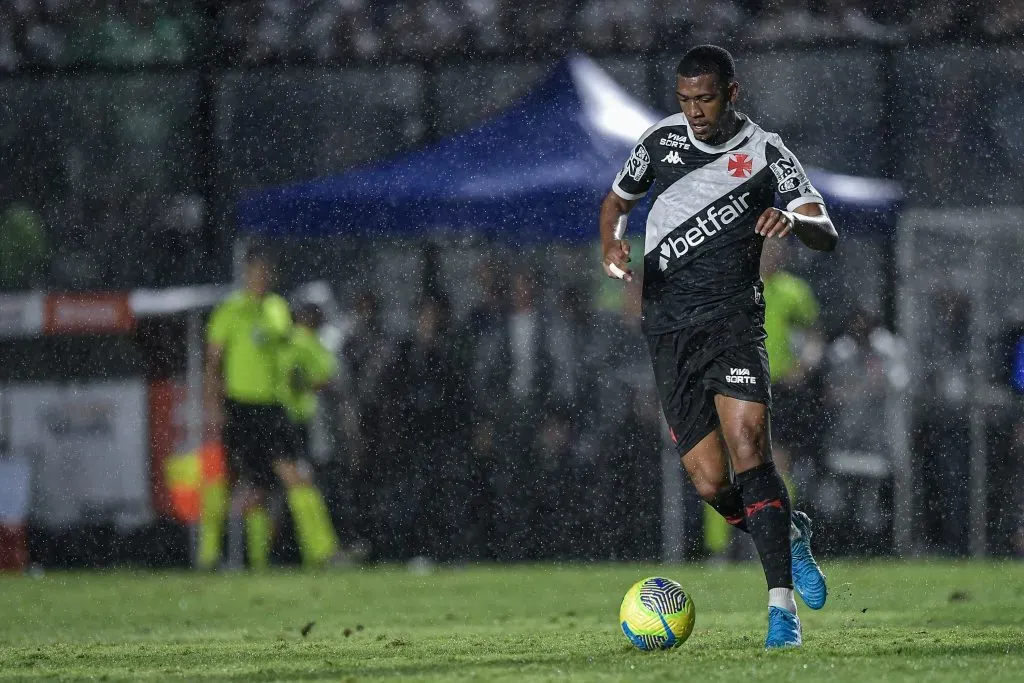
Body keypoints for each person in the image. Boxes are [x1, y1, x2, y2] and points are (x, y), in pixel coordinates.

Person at [599, 45, 837, 649]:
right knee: (710, 483)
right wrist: (612, 243)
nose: (694, 112)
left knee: (750, 445)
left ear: (732, 94)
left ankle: (781, 610)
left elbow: (825, 230)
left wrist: (795, 221)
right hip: (669, 332)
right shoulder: (660, 143)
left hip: (733, 324)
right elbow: (618, 202)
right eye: (685, 100)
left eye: (705, 99)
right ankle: (789, 535)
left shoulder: (767, 153)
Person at [199, 247, 292, 570]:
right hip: (239, 406)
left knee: (265, 483)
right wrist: (213, 404)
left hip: (272, 406)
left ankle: (259, 560)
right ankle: (209, 554)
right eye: (256, 272)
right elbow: (213, 362)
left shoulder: (278, 308)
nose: (261, 278)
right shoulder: (230, 311)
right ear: (246, 274)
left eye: (266, 273)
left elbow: (285, 354)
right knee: (224, 478)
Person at [276, 301, 348, 567]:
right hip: (293, 421)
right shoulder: (306, 343)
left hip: (273, 416)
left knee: (266, 488)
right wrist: (305, 383)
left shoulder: (282, 342)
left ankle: (310, 552)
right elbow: (328, 375)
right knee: (300, 483)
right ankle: (320, 550)